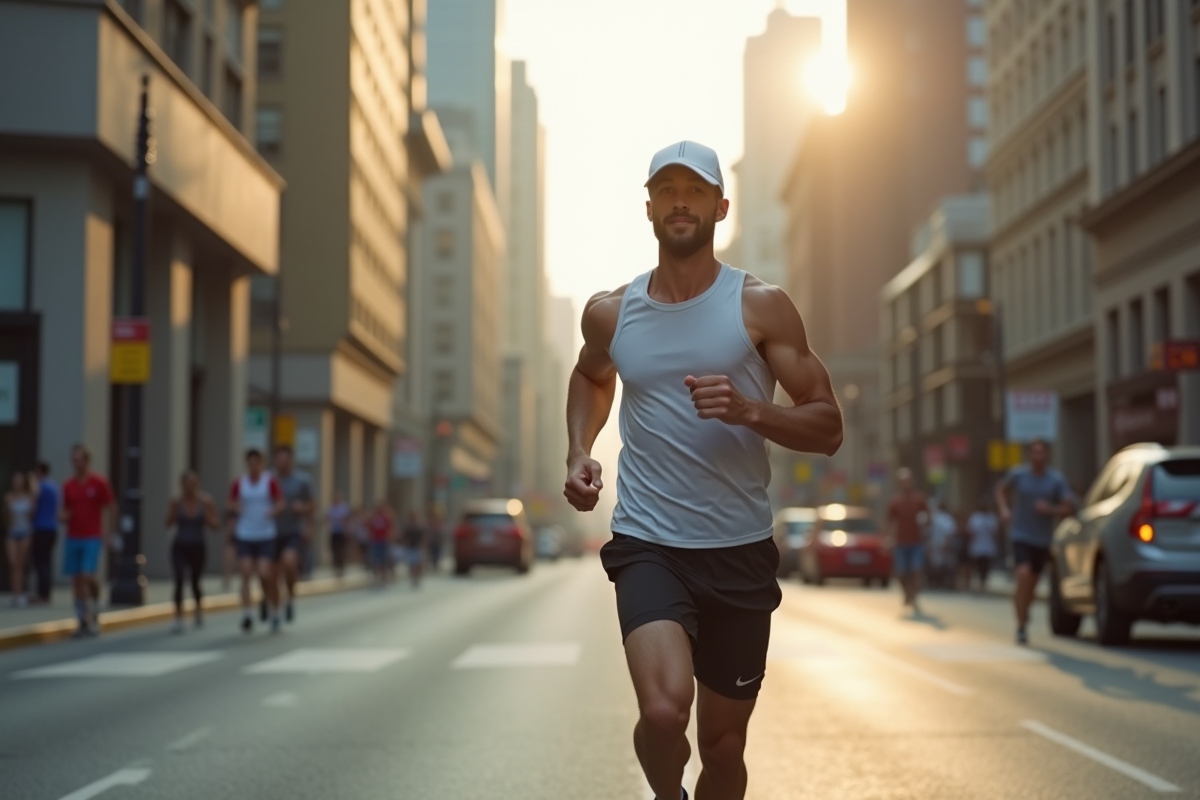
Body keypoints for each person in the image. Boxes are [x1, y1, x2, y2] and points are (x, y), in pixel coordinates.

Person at [563, 141, 842, 800]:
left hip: (739, 550)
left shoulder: (761, 306)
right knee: (663, 714)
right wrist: (579, 449)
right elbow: (589, 375)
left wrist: (751, 411)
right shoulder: (612, 311)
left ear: (720, 205)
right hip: (649, 543)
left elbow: (827, 425)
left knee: (723, 747)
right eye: (666, 190)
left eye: (694, 190)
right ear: (650, 207)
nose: (679, 202)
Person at [995, 438, 1075, 645]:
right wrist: (1004, 510)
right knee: (1023, 575)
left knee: (1031, 585)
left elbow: (1068, 508)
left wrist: (1049, 509)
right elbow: (1001, 490)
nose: (1038, 456)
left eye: (1042, 452)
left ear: (1047, 455)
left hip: (1043, 539)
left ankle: (1024, 610)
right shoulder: (1018, 475)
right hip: (1021, 535)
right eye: (1034, 452)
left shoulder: (1056, 480)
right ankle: (1021, 625)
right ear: (1029, 455)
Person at [59, 445, 116, 637]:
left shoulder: (99, 482)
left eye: (78, 458)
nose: (75, 462)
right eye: (73, 459)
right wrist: (62, 516)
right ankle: (82, 619)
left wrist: (110, 532)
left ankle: (94, 608)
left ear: (86, 461)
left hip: (92, 536)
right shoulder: (68, 485)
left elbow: (111, 506)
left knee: (86, 576)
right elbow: (64, 510)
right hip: (73, 537)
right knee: (76, 581)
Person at [228, 449, 284, 634]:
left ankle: (273, 609)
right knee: (245, 572)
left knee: (264, 573)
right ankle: (247, 614)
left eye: (256, 462)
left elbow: (280, 502)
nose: (253, 465)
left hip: (266, 534)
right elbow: (230, 502)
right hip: (245, 533)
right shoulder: (240, 482)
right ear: (246, 463)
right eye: (250, 462)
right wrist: (236, 508)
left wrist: (273, 511)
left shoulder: (269, 481)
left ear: (261, 463)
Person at [164, 470, 220, 633]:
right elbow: (167, 522)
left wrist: (207, 518)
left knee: (195, 581)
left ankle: (198, 610)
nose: (190, 487)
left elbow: (216, 524)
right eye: (187, 483)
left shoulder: (206, 502)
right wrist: (173, 514)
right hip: (180, 545)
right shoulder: (176, 502)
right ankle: (178, 617)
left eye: (193, 483)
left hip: (198, 546)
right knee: (179, 580)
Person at [270, 445, 314, 624]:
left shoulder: (302, 480)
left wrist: (303, 509)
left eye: (286, 459)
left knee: (289, 563)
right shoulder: (269, 479)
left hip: (293, 531)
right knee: (271, 573)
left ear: (291, 460)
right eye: (279, 459)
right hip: (270, 532)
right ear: (275, 461)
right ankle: (274, 608)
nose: (283, 463)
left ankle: (290, 598)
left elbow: (312, 504)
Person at [886, 468, 931, 614]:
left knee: (917, 571)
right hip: (900, 542)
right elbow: (889, 521)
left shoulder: (919, 499)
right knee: (901, 573)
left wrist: (926, 522)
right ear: (899, 484)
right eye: (903, 482)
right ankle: (906, 592)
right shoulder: (895, 502)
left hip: (916, 542)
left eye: (908, 481)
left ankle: (914, 597)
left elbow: (929, 517)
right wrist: (887, 539)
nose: (906, 484)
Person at [30, 461, 59, 605]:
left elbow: (33, 505)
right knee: (47, 561)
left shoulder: (39, 487)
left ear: (40, 471)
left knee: (40, 561)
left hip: (41, 528)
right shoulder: (54, 487)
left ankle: (42, 594)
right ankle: (46, 593)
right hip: (52, 528)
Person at [5, 471, 35, 607]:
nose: (17, 483)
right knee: (12, 563)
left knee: (20, 565)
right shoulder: (8, 497)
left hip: (24, 532)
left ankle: (20, 593)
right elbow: (5, 515)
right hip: (12, 533)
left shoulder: (28, 497)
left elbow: (33, 508)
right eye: (15, 481)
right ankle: (15, 594)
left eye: (20, 481)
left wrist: (33, 480)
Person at [966, 499, 999, 594]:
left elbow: (995, 534)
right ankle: (976, 585)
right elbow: (970, 532)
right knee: (977, 567)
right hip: (977, 548)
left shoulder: (992, 518)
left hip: (988, 548)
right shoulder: (975, 518)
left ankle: (983, 585)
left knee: (986, 568)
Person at [367, 500, 395, 587]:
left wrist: (390, 536)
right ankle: (375, 577)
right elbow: (369, 526)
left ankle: (384, 577)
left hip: (384, 540)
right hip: (376, 541)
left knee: (384, 560)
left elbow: (391, 527)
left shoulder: (386, 517)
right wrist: (370, 536)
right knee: (375, 560)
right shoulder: (374, 517)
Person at [327, 490, 352, 578]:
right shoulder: (331, 508)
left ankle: (341, 568)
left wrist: (347, 531)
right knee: (334, 550)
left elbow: (347, 520)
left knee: (341, 551)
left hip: (342, 532)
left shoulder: (344, 508)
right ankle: (336, 567)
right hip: (334, 532)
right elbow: (326, 518)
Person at [401, 512, 425, 589]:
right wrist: (406, 544)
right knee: (411, 564)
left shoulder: (419, 527)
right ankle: (413, 579)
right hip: (410, 548)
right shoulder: (408, 527)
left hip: (417, 548)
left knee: (418, 564)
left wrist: (423, 545)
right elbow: (404, 537)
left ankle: (417, 578)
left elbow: (423, 537)